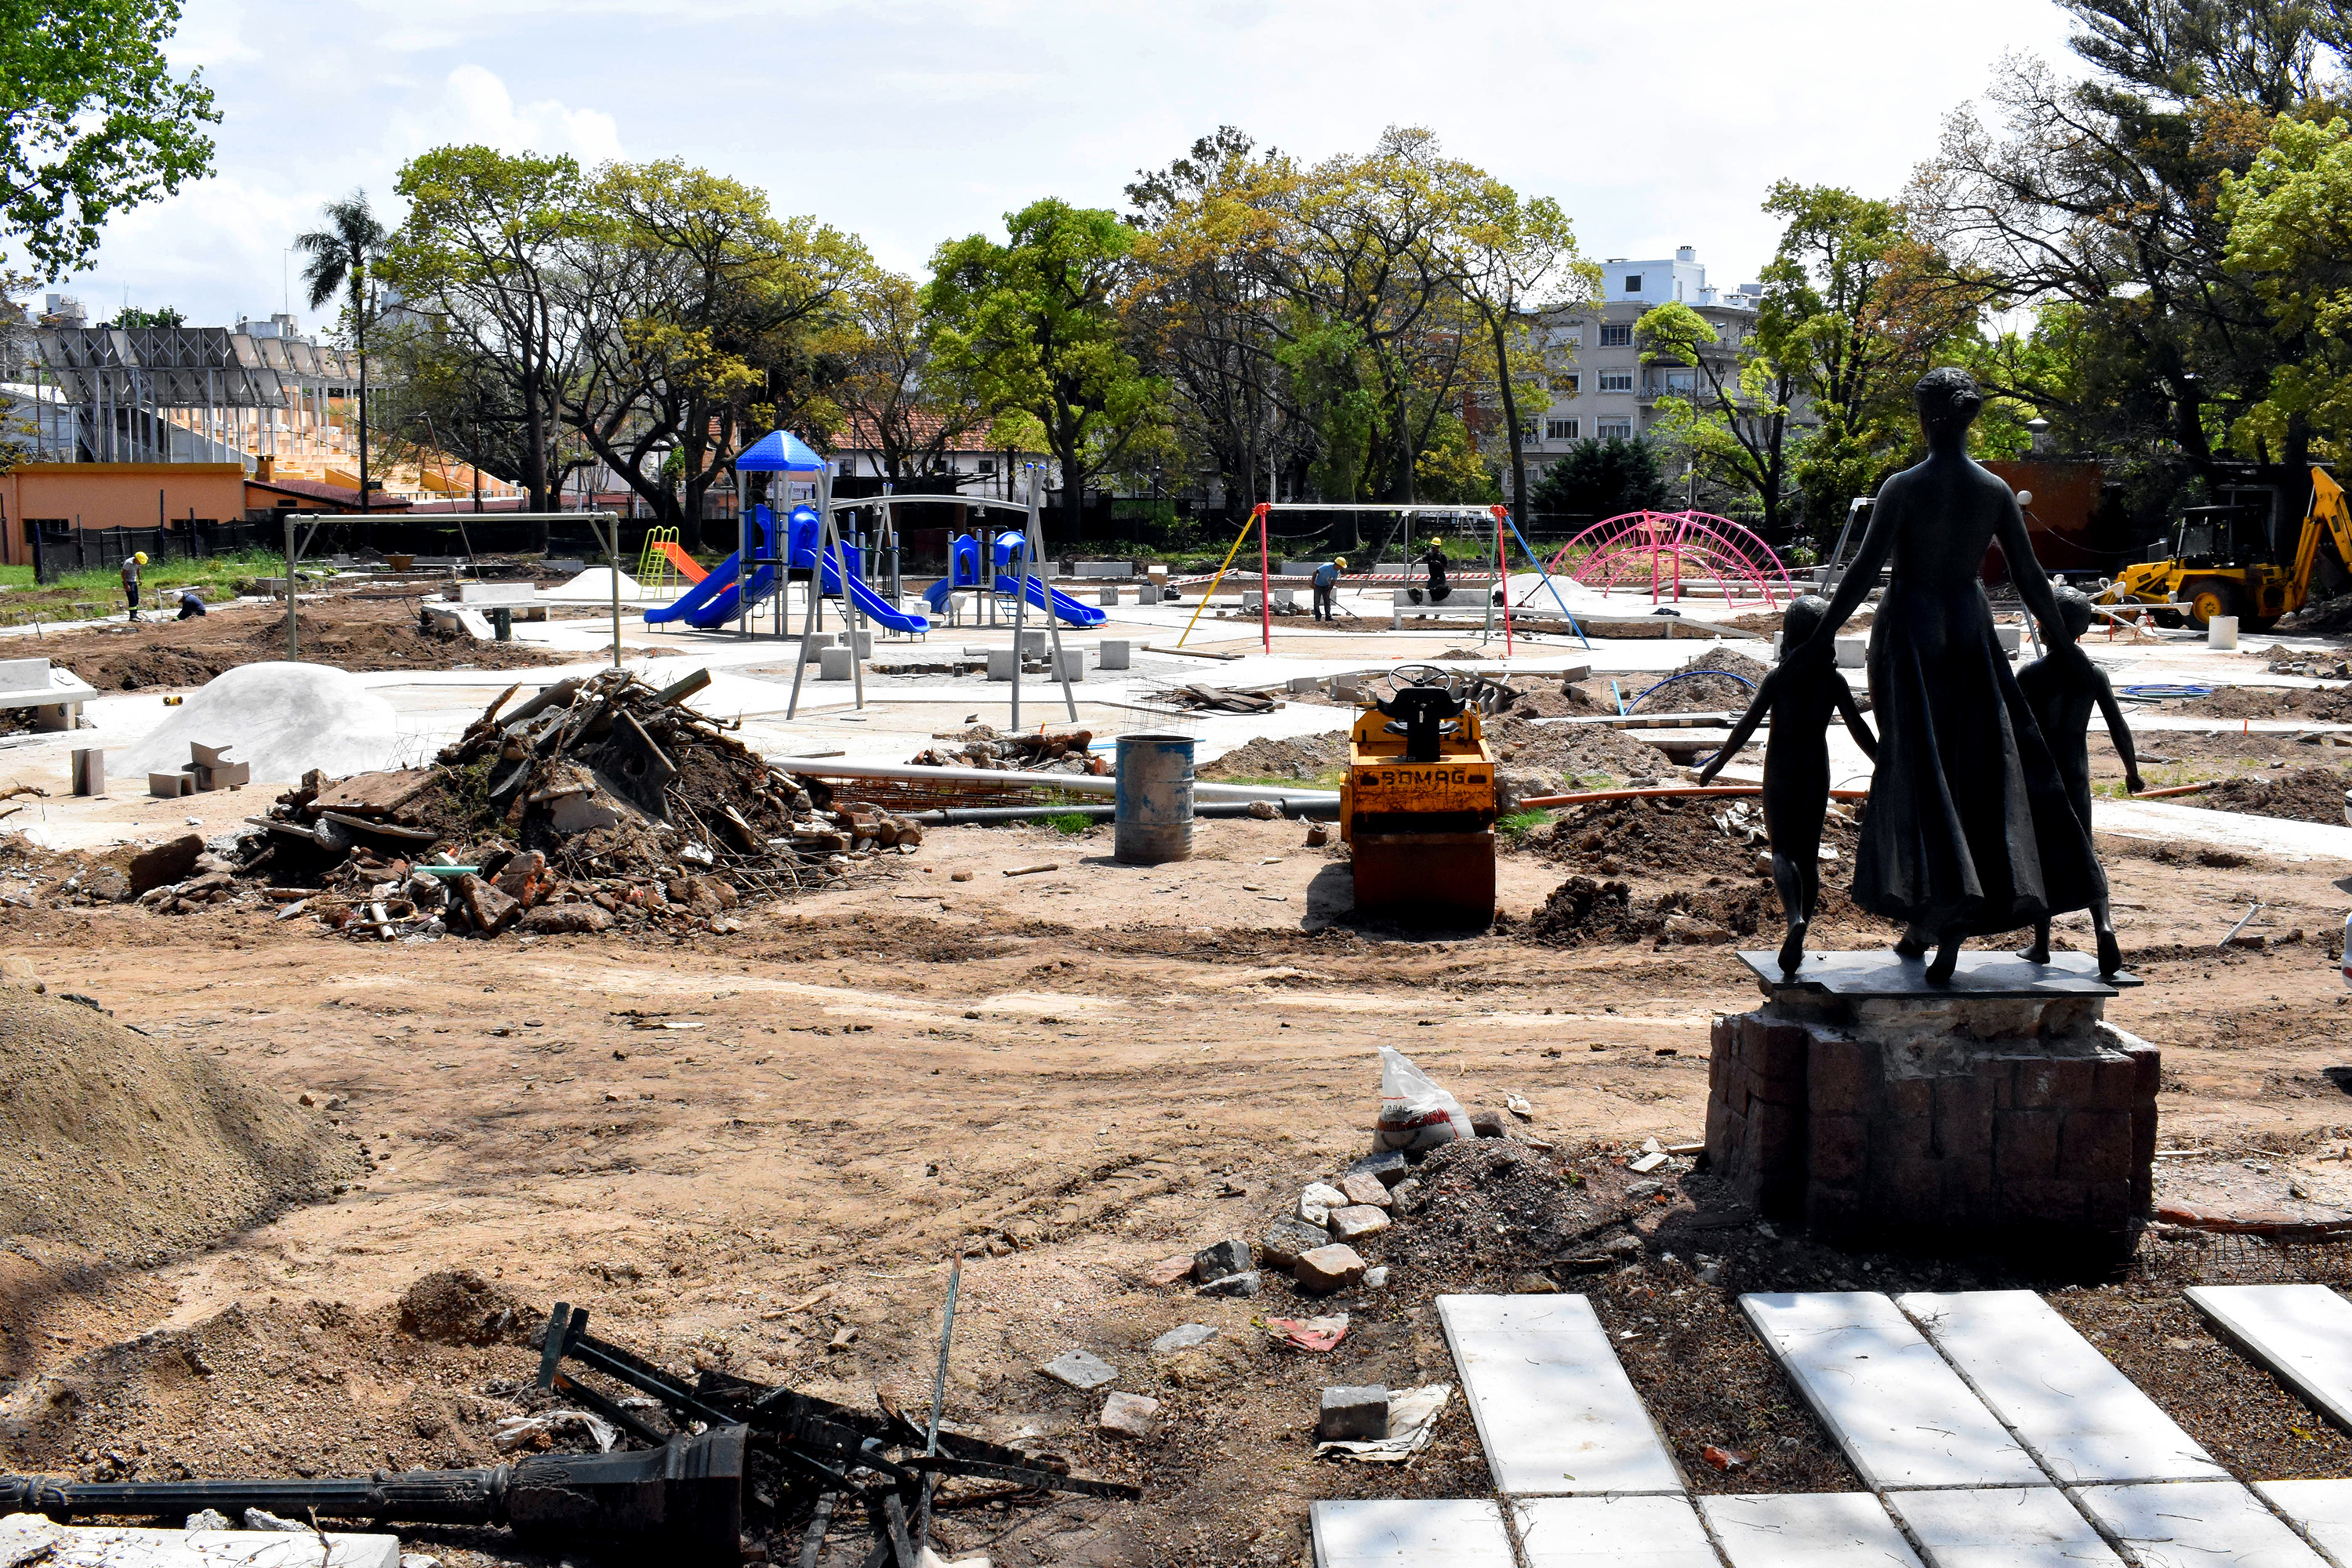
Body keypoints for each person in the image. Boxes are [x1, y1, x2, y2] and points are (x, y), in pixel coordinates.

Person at [1785, 367, 2106, 984]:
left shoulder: (1902, 488)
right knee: (1973, 772)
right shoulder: (1994, 489)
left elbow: (1861, 573)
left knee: (1918, 776)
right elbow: (2034, 580)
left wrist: (1818, 640)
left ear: (1926, 416)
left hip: (1912, 629)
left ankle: (1940, 914)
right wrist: (2066, 647)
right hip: (1968, 626)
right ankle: (1934, 922)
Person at [1697, 594, 1880, 974]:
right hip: (1816, 767)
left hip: (1781, 767)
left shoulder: (1779, 678)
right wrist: (1883, 761)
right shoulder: (1832, 679)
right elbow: (1858, 727)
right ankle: (1802, 930)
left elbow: (1746, 725)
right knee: (1809, 857)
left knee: (1782, 850)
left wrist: (1718, 762)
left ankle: (1793, 917)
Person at [2016, 586, 2143, 975]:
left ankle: (2041, 945)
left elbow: (2011, 728)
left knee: (2041, 855)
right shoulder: (2093, 674)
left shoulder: (2033, 675)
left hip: (2042, 775)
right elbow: (2118, 725)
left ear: (2044, 626)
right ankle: (2103, 926)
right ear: (2083, 630)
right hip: (2076, 773)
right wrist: (2132, 771)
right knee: (2084, 851)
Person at [1312, 556, 1346, 621]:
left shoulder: (1337, 571)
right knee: (1316, 601)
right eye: (1341, 566)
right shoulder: (1326, 567)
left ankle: (1328, 617)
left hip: (1326, 585)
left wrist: (1329, 591)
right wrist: (1312, 583)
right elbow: (1315, 573)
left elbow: (1333, 581)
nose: (1341, 568)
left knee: (1327, 601)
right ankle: (1318, 617)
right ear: (1337, 565)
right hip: (1318, 585)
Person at [121, 551, 147, 621]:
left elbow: (138, 570)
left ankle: (135, 614)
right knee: (132, 599)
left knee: (136, 598)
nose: (140, 563)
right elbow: (123, 574)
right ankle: (132, 616)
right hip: (128, 582)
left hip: (134, 581)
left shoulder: (138, 563)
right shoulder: (129, 563)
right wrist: (126, 585)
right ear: (136, 559)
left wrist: (140, 579)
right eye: (139, 561)